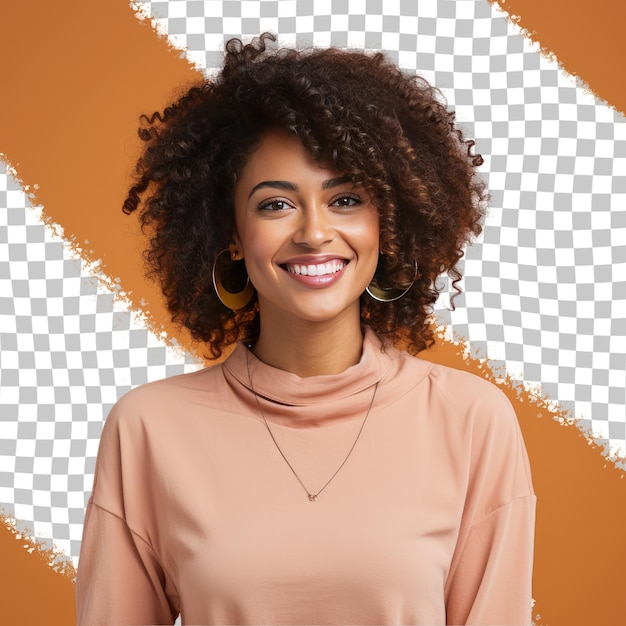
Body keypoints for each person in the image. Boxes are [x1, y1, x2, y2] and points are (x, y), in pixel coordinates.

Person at [76, 33, 535, 625]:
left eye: (346, 200)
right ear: (232, 234)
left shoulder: (471, 421)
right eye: (275, 205)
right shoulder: (147, 429)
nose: (315, 233)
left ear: (387, 224)